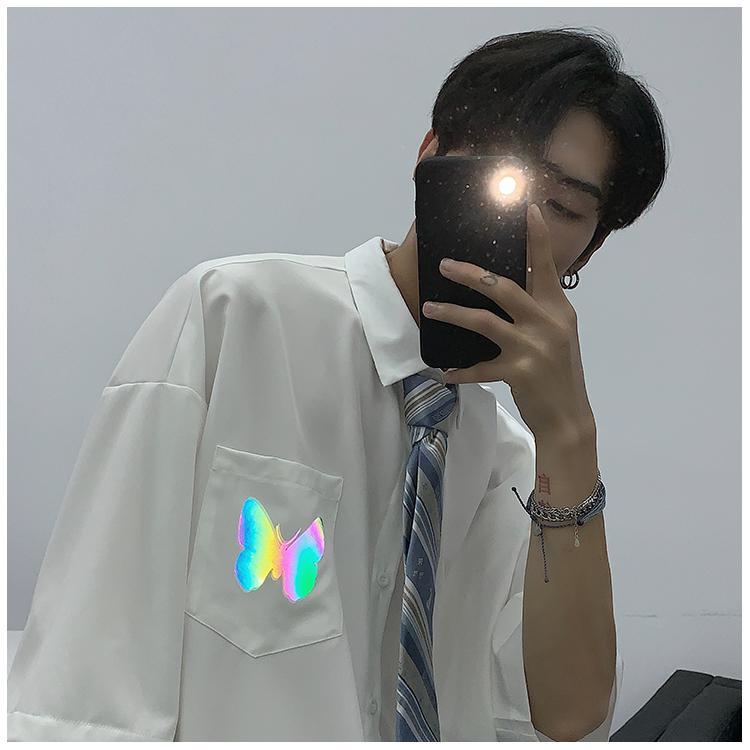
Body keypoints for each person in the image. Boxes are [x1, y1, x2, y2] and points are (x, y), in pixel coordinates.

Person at [7, 27, 668, 741]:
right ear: (429, 157)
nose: (524, 219)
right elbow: (86, 683)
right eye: (503, 176)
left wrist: (569, 435)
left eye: (565, 207)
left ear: (589, 248)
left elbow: (568, 719)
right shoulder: (233, 319)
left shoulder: (515, 465)